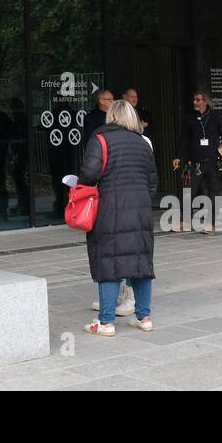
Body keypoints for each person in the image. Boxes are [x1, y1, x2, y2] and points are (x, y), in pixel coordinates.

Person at [81, 100, 158, 336]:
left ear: (111, 115)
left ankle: (106, 322)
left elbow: (88, 175)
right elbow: (153, 182)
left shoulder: (100, 140)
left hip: (110, 210)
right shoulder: (143, 143)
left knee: (110, 263)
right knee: (141, 263)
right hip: (141, 211)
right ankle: (144, 317)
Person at [173, 92, 222, 233]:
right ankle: (185, 221)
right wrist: (179, 157)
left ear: (205, 102)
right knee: (187, 191)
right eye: (194, 99)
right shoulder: (190, 119)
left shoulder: (216, 118)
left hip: (213, 162)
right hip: (195, 163)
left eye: (198, 100)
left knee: (214, 192)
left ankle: (210, 223)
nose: (195, 102)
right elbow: (184, 141)